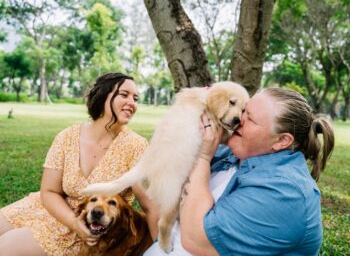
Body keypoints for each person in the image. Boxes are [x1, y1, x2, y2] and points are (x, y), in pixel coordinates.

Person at [145, 87, 334, 256]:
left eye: (250, 118)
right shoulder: (235, 153)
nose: (238, 118)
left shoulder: (286, 193)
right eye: (244, 109)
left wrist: (202, 157)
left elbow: (196, 241)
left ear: (281, 141)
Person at [0, 73, 158, 255]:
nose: (132, 103)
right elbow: (49, 191)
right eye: (124, 95)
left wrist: (159, 250)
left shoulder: (136, 146)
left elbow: (150, 206)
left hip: (89, 226)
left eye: (135, 98)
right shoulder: (67, 136)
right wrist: (72, 221)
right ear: (103, 95)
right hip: (50, 207)